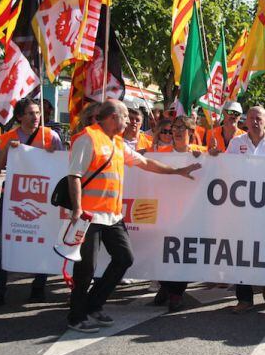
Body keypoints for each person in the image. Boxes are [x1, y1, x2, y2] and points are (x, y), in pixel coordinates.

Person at [66, 99, 201, 333]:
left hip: (112, 216)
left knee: (124, 258)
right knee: (86, 268)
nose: (129, 122)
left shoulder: (117, 143)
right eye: (125, 117)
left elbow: (146, 162)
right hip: (89, 216)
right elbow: (74, 175)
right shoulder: (88, 138)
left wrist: (178, 171)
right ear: (113, 118)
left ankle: (94, 305)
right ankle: (76, 316)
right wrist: (77, 209)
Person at [0, 98, 64, 309]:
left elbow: (62, 164)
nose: (35, 117)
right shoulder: (8, 137)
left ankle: (38, 286)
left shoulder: (50, 136)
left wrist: (53, 155)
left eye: (37, 113)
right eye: (30, 113)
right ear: (19, 117)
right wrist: (9, 148)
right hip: (14, 199)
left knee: (42, 241)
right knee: (5, 245)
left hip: (43, 199)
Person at [220, 106, 265, 313]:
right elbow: (226, 168)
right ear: (245, 121)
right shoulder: (236, 143)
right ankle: (245, 298)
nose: (255, 121)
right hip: (242, 208)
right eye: (251, 118)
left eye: (259, 118)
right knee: (241, 251)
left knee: (264, 248)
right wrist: (213, 157)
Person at [150, 115, 204, 311]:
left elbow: (221, 166)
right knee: (161, 251)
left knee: (184, 253)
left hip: (191, 213)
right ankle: (165, 286)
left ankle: (176, 294)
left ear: (191, 131)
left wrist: (213, 155)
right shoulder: (159, 153)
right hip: (164, 211)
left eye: (182, 127)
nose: (177, 131)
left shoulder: (201, 153)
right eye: (175, 127)